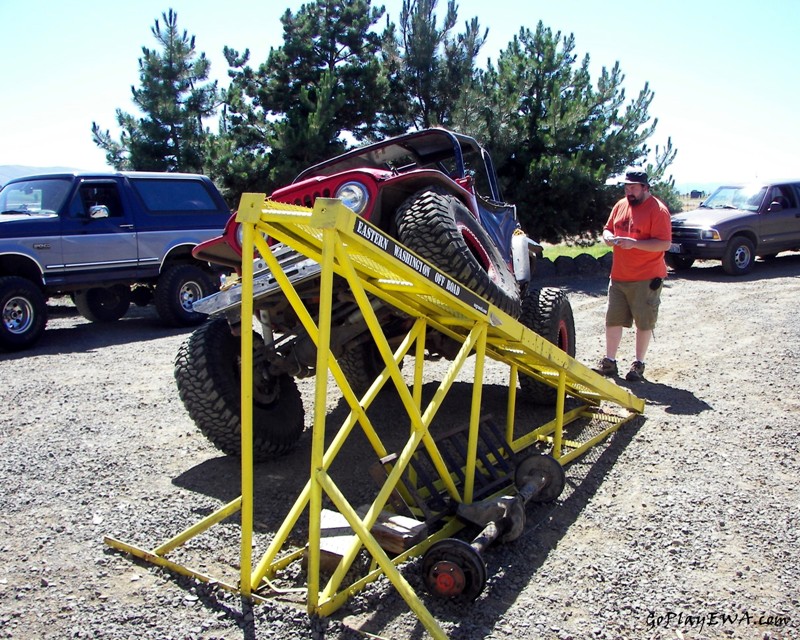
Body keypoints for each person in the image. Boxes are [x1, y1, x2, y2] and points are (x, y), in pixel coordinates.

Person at [595, 169, 672, 381]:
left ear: (645, 188)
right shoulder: (621, 205)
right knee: (613, 319)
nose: (629, 191)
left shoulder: (658, 211)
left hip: (646, 277)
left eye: (634, 188)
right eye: (627, 187)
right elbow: (607, 228)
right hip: (619, 275)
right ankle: (609, 361)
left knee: (644, 322)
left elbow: (664, 243)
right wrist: (608, 236)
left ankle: (639, 364)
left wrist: (635, 244)